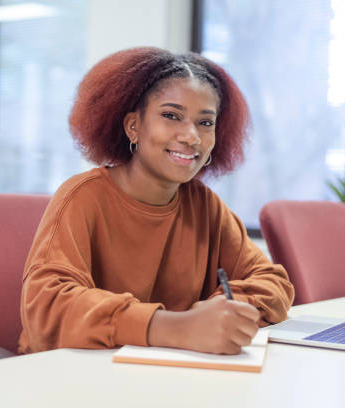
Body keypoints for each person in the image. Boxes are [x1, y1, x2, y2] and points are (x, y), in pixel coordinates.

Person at [18, 47, 294, 355]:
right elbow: (47, 307)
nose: (191, 136)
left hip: (166, 376)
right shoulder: (82, 197)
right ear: (133, 126)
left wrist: (221, 312)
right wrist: (175, 327)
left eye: (205, 122)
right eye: (171, 116)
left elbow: (273, 282)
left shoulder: (204, 205)